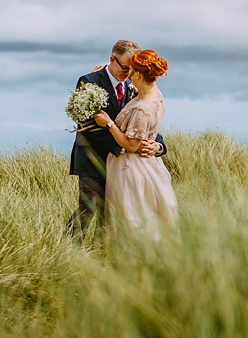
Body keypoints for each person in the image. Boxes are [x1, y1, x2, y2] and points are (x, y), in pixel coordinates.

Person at [69, 39, 165, 232]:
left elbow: (143, 122)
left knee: (113, 214)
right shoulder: (89, 82)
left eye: (132, 68)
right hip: (93, 158)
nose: (128, 73)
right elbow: (87, 126)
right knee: (89, 207)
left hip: (124, 165)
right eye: (124, 67)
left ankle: (103, 254)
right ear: (112, 60)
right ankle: (69, 248)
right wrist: (125, 146)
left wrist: (158, 146)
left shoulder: (135, 85)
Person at [94, 49, 177, 240]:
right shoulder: (154, 94)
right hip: (149, 166)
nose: (127, 75)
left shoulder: (142, 108)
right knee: (148, 215)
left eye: (130, 71)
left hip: (131, 168)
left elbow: (131, 145)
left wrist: (109, 123)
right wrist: (104, 70)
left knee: (131, 218)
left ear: (138, 74)